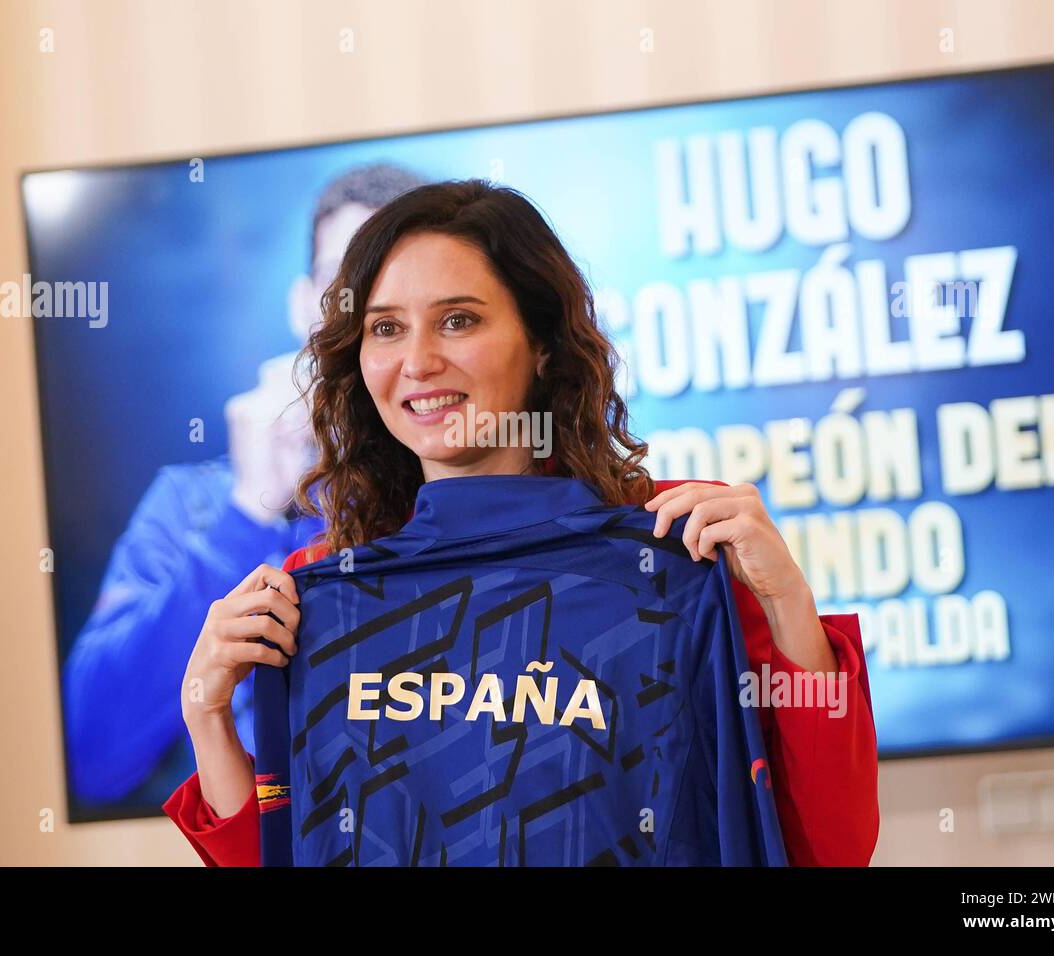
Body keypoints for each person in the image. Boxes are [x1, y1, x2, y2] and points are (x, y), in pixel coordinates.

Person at [163, 179, 879, 865]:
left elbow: (827, 846)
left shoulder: (676, 542)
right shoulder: (321, 592)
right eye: (386, 328)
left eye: (458, 320)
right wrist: (209, 716)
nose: (419, 361)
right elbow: (294, 852)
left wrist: (788, 605)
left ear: (541, 342)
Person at [62, 164, 427, 806]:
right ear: (299, 304)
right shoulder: (192, 505)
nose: (365, 311)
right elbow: (90, 759)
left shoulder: (466, 489)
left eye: (397, 284)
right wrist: (245, 515)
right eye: (340, 281)